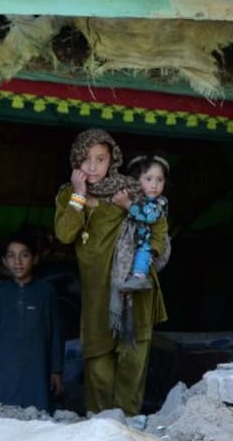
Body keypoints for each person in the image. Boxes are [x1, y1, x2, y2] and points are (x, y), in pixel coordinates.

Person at [54, 128, 167, 416]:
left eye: (100, 159)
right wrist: (79, 195)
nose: (92, 167)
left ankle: (127, 433)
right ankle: (101, 432)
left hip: (134, 294)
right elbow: (65, 234)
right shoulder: (69, 194)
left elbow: (158, 227)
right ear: (75, 161)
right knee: (99, 370)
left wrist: (144, 260)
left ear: (112, 160)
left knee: (131, 368)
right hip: (97, 298)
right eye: (85, 159)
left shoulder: (130, 190)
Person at [0, 231, 64, 411]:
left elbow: (56, 332)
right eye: (11, 256)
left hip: (38, 366)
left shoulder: (46, 292)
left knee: (38, 414)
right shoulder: (0, 293)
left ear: (35, 259)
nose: (17, 262)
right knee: (4, 413)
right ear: (4, 261)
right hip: (6, 366)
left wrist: (56, 370)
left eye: (24, 255)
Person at [114, 154, 170, 292]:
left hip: (146, 243)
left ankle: (139, 277)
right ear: (136, 181)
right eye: (149, 179)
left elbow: (148, 216)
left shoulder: (160, 202)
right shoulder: (136, 198)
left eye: (160, 180)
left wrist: (127, 204)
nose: (154, 185)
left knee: (143, 253)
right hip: (128, 245)